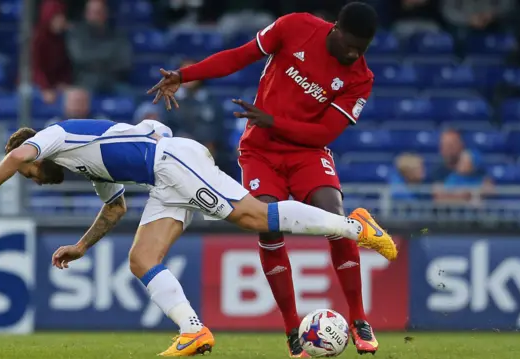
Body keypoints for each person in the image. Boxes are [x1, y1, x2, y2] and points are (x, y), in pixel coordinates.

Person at [0, 119, 397, 357]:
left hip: (170, 163)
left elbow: (18, 155)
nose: (33, 178)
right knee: (141, 259)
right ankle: (194, 331)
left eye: (30, 173)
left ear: (36, 154)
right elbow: (115, 209)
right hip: (162, 180)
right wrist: (82, 246)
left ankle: (356, 227)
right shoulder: (84, 164)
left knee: (255, 217)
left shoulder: (54, 136)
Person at [148, 2, 381, 356]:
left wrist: (275, 121)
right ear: (335, 28)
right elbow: (238, 57)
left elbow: (323, 133)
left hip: (307, 150)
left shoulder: (360, 78)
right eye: (350, 44)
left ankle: (359, 318)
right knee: (267, 222)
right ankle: (292, 329)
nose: (353, 53)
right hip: (260, 150)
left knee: (335, 217)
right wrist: (186, 75)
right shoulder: (295, 27)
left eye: (361, 49)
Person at [66, 0, 133, 94]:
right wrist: (108, 56)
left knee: (129, 95)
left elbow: (125, 62)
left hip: (112, 82)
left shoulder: (117, 35)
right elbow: (79, 57)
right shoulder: (77, 34)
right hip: (85, 83)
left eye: (99, 12)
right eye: (92, 12)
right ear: (86, 14)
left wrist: (93, 62)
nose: (95, 16)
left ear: (105, 14)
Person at [31, 0, 72, 104]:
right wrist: (45, 88)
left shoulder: (62, 39)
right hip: (36, 84)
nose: (61, 20)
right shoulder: (37, 38)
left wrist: (63, 83)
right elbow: (34, 68)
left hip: (54, 85)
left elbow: (64, 66)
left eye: (62, 16)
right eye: (57, 17)